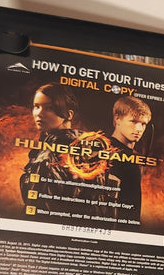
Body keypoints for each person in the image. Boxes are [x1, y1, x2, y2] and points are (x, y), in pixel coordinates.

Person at [20, 83, 118, 216]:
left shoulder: (49, 153)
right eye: (36, 106)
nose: (39, 113)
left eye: (49, 108)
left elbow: (37, 202)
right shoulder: (89, 146)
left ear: (69, 114)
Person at [108, 96, 152, 222]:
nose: (139, 129)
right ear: (117, 119)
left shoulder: (132, 157)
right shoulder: (107, 151)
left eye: (143, 124)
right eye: (133, 121)